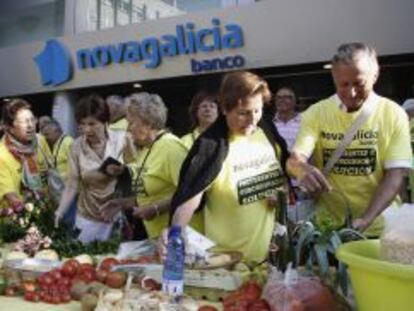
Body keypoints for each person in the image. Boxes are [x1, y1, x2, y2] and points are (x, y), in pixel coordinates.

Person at [161, 71, 290, 262]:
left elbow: (282, 172)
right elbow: (190, 195)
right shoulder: (211, 145)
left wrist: (280, 192)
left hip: (270, 256)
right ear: (224, 109)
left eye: (257, 110)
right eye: (243, 113)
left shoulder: (266, 129)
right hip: (226, 260)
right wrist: (175, 232)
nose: (252, 119)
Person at [287, 42, 412, 237]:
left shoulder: (393, 114)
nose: (351, 93)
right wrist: (301, 169)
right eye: (343, 85)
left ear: (375, 75)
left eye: (359, 84)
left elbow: (395, 174)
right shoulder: (316, 113)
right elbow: (295, 158)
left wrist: (366, 218)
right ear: (334, 78)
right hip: (328, 229)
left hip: (380, 226)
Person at [100, 93, 204, 238]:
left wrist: (155, 209)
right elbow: (150, 194)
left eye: (131, 123)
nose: (128, 129)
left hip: (183, 239)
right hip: (159, 239)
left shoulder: (170, 148)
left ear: (148, 123)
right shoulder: (146, 149)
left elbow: (192, 193)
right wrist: (122, 203)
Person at [54, 94, 135, 243]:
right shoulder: (76, 146)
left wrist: (122, 170)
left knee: (114, 262)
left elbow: (135, 175)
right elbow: (72, 184)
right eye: (82, 124)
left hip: (115, 214)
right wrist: (60, 211)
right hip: (87, 217)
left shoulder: (123, 140)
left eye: (92, 124)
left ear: (105, 121)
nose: (86, 130)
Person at [0, 99, 51, 211]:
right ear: (11, 128)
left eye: (32, 119)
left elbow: (48, 172)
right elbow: (11, 196)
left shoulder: (40, 141)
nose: (30, 125)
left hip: (45, 208)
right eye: (24, 121)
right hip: (16, 218)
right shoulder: (2, 155)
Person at [273, 87, 301, 151]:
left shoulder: (304, 121)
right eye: (279, 97)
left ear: (294, 101)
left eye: (286, 97)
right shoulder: (270, 123)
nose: (282, 100)